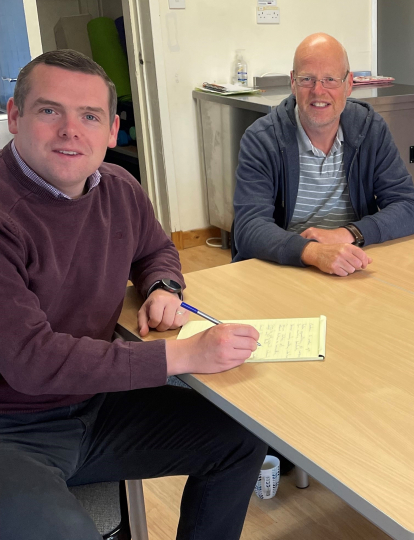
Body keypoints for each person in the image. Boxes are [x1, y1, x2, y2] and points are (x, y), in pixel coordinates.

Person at [0, 50, 267, 540]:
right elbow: (30, 360)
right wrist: (182, 355)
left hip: (96, 406)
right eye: (49, 110)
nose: (70, 130)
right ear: (15, 116)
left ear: (111, 128)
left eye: (90, 116)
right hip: (13, 428)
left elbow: (157, 248)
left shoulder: (118, 187)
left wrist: (163, 284)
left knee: (241, 437)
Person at [233, 33, 414, 276]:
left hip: (349, 265)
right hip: (282, 268)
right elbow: (249, 228)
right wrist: (314, 253)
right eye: (307, 79)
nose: (318, 91)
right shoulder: (262, 139)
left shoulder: (370, 130)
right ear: (293, 83)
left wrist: (348, 234)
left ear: (349, 84)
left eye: (330, 79)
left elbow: (409, 208)